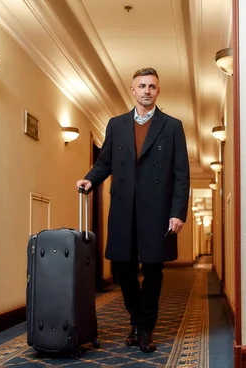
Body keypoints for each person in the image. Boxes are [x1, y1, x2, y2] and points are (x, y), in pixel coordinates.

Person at [75, 67, 190, 353]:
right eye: (142, 86)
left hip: (158, 212)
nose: (147, 90)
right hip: (124, 210)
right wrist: (90, 178)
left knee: (153, 271)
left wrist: (178, 212)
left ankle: (144, 329)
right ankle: (138, 320)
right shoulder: (116, 125)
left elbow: (181, 174)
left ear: (158, 91)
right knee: (124, 270)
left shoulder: (172, 126)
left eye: (152, 86)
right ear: (133, 89)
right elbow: (105, 162)